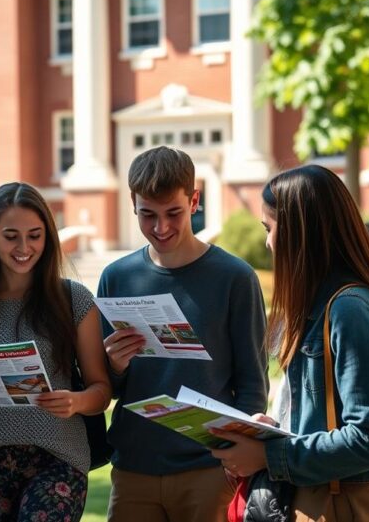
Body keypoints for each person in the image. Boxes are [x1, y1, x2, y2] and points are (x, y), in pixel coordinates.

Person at [211, 164, 369, 520]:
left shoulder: (349, 310)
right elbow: (323, 419)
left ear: (300, 233)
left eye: (270, 228)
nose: (267, 242)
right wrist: (271, 431)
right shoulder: (324, 304)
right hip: (318, 497)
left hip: (348, 503)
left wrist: (268, 456)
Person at [99, 147, 269, 522]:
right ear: (133, 204)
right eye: (148, 215)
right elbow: (107, 385)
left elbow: (253, 383)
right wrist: (114, 364)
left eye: (173, 213)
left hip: (209, 467)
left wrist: (236, 458)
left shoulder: (235, 278)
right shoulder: (117, 277)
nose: (161, 228)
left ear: (194, 200)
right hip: (134, 467)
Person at [0, 182, 111, 522]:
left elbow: (101, 390)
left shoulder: (74, 300)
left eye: (35, 235)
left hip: (58, 456)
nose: (24, 247)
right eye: (11, 236)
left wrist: (75, 401)